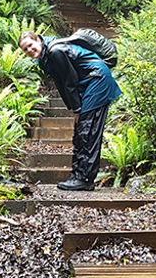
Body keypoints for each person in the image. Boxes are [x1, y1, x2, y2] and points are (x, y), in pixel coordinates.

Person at [18, 30, 122, 191]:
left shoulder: (55, 51)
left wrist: (78, 109)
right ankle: (78, 176)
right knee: (82, 131)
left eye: (30, 45)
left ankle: (84, 179)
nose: (29, 50)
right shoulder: (46, 57)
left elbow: (69, 81)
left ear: (38, 40)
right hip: (90, 82)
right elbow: (63, 83)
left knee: (87, 131)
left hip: (97, 79)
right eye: (25, 49)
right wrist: (75, 108)